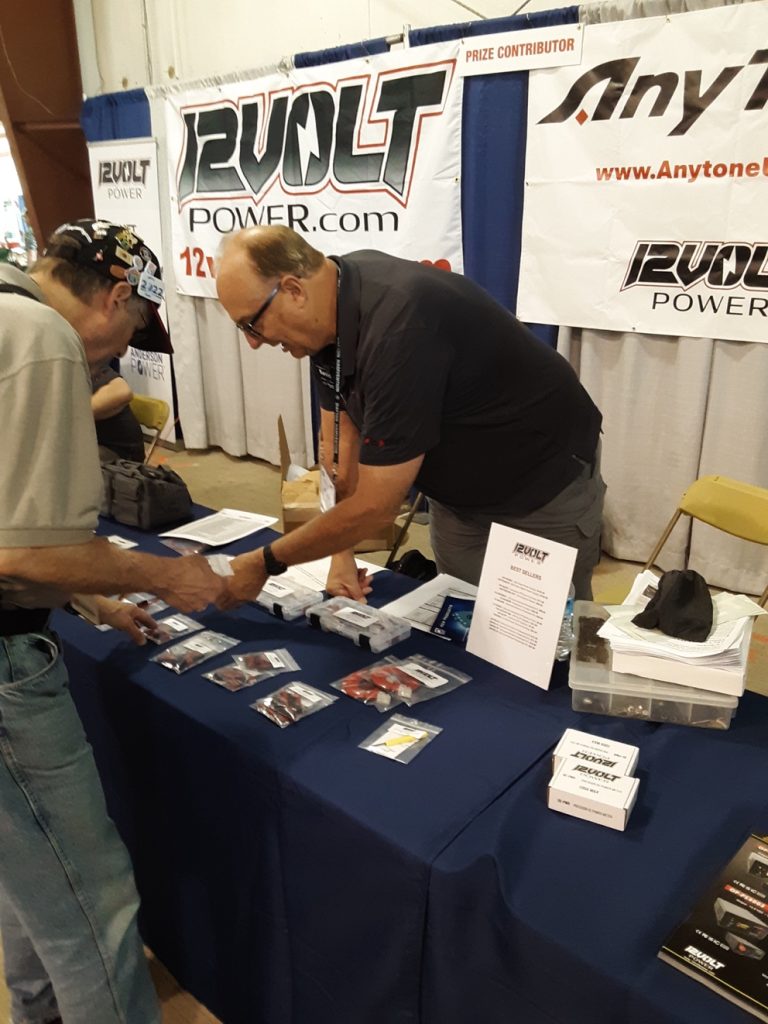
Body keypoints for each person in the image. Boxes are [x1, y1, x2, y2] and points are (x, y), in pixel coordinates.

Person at [0, 219, 225, 1024]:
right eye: (134, 329)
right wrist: (168, 575)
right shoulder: (39, 336)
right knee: (90, 903)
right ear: (118, 296)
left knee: (28, 874)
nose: (121, 353)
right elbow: (25, 552)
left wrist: (90, 598)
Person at [215, 226, 605, 608]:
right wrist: (340, 556)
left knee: (544, 631)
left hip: (542, 482)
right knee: (465, 617)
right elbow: (338, 453)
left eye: (252, 324)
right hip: (459, 496)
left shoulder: (399, 327)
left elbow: (377, 505)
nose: (252, 342)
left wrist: (264, 563)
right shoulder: (328, 313)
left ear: (293, 290)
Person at [91, 365, 146, 462]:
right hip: (94, 442)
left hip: (120, 451)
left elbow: (124, 392)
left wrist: (77, 412)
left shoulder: (89, 367)